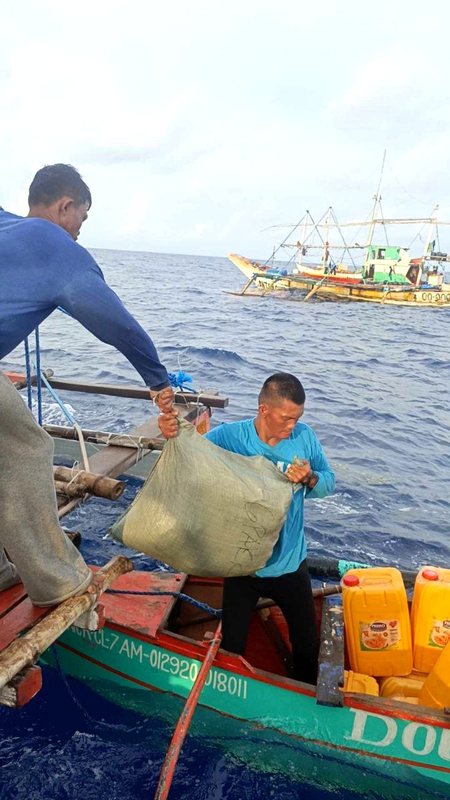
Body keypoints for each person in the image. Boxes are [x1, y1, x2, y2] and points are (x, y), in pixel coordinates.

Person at [0, 164, 174, 606]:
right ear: (65, 206)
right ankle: (57, 581)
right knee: (27, 449)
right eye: (83, 216)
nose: (80, 228)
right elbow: (119, 326)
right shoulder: (61, 251)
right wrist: (158, 381)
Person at [158, 372, 335, 684]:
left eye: (297, 418)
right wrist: (170, 433)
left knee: (307, 645)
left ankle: (303, 695)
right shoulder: (232, 437)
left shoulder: (304, 438)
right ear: (263, 409)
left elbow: (329, 481)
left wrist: (310, 478)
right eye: (286, 418)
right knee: (233, 646)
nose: (292, 426)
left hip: (290, 563)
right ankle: (230, 691)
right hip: (242, 565)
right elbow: (191, 454)